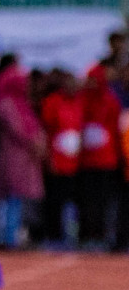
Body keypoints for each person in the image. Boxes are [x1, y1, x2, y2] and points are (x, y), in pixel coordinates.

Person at [0, 55, 45, 249]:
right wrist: (35, 143)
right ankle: (7, 237)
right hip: (13, 158)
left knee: (20, 200)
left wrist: (39, 142)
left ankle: (14, 234)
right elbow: (19, 130)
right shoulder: (6, 104)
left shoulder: (23, 103)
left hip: (26, 159)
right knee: (10, 198)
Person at [77, 64, 119, 248]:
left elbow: (116, 130)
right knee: (86, 201)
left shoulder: (110, 100)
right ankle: (85, 235)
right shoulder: (83, 99)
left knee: (102, 202)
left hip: (105, 160)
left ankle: (101, 236)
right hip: (86, 160)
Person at [39, 70, 82, 246]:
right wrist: (50, 159)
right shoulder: (52, 102)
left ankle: (68, 234)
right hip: (56, 161)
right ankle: (52, 236)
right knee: (54, 201)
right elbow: (47, 132)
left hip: (73, 162)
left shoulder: (78, 103)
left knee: (70, 201)